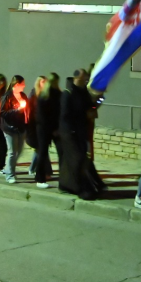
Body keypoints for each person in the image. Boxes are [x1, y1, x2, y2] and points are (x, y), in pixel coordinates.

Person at [58, 68, 105, 200]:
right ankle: (80, 188)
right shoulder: (68, 93)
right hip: (69, 132)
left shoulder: (83, 91)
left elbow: (90, 106)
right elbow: (65, 115)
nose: (86, 80)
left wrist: (98, 102)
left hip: (80, 131)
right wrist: (83, 115)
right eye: (85, 78)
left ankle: (65, 185)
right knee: (77, 159)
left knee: (75, 160)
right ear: (78, 78)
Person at [34, 72, 61, 189]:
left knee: (59, 151)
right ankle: (40, 178)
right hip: (45, 128)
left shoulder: (57, 94)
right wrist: (53, 129)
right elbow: (42, 116)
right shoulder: (44, 95)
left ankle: (64, 177)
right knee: (43, 152)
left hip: (51, 128)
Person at [0, 75, 29, 184]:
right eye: (23, 84)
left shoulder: (23, 96)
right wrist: (17, 110)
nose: (24, 86)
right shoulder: (7, 97)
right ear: (17, 84)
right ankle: (10, 175)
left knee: (20, 150)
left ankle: (8, 168)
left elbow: (27, 111)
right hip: (10, 128)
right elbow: (2, 113)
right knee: (12, 151)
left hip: (21, 127)